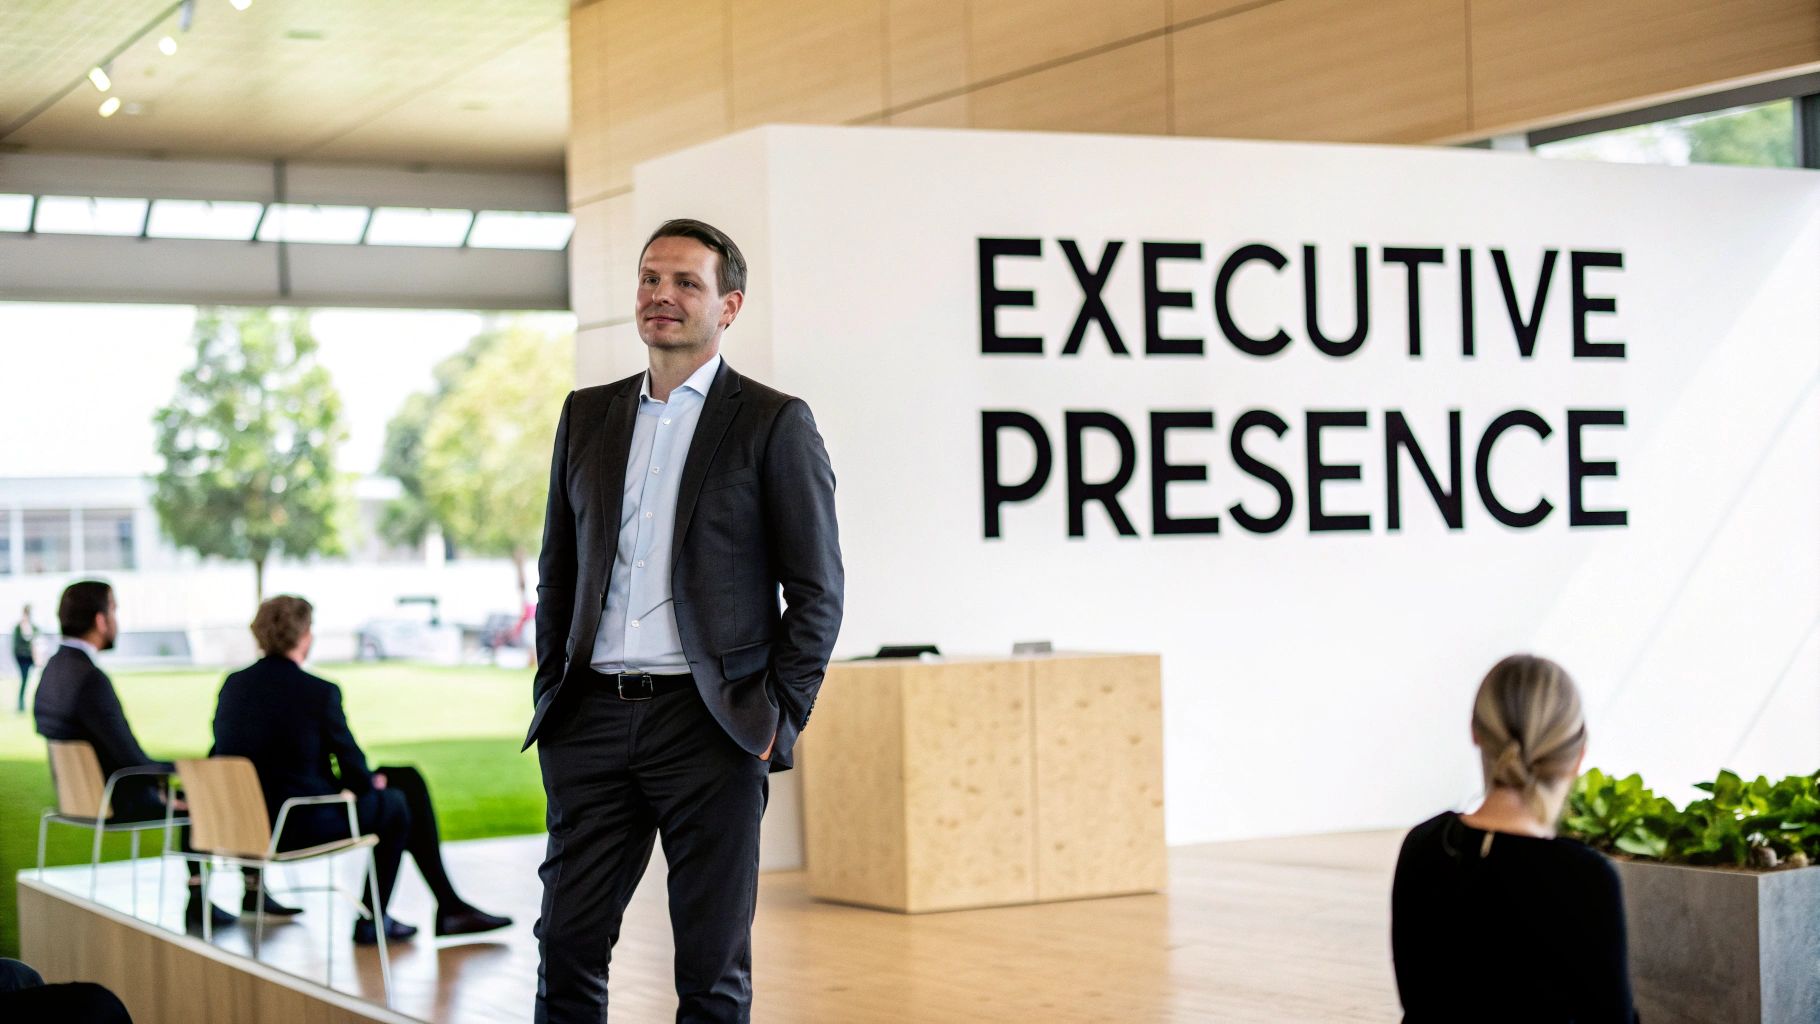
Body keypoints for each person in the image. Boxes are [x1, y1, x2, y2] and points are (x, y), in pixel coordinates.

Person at [527, 218, 844, 1022]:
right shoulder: (587, 415)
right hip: (591, 720)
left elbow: (817, 590)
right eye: (649, 279)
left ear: (729, 306)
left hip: (712, 726)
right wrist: (551, 693)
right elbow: (558, 573)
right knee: (565, 947)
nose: (661, 296)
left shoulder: (774, 422)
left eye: (686, 283)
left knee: (709, 969)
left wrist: (776, 716)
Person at [210, 594, 511, 945]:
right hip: (296, 823)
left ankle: (450, 907)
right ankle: (376, 919)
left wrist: (365, 780)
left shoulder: (233, 687)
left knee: (404, 779)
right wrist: (367, 783)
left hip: (244, 822)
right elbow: (353, 770)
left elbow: (227, 754)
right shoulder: (318, 692)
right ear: (305, 635)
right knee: (396, 805)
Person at [1391, 654, 1637, 1023]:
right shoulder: (1585, 879)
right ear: (1577, 756)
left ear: (1476, 734)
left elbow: (1417, 1000)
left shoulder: (1424, 845)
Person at [31, 580, 254, 929]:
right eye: (115, 610)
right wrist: (179, 771)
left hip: (78, 796)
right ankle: (210, 897)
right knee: (201, 796)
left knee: (189, 792)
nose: (117, 619)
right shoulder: (90, 678)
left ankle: (221, 894)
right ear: (101, 620)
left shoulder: (54, 670)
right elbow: (130, 758)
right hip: (118, 796)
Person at [14, 603, 37, 712]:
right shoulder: (19, 627)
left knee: (27, 680)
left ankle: (23, 703)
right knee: (24, 680)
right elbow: (16, 645)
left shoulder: (32, 626)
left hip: (30, 658)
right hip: (22, 658)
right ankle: (21, 703)